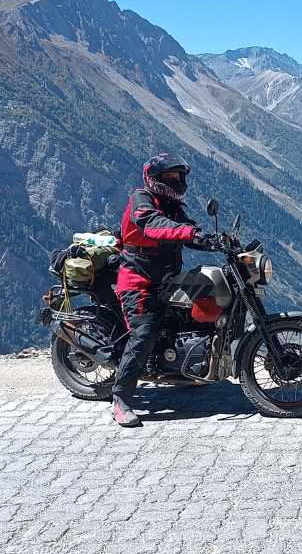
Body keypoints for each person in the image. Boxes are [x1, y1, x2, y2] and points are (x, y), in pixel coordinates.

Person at [112, 153, 209, 427]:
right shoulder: (141, 199)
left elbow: (185, 227)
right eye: (169, 177)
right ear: (154, 179)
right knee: (145, 333)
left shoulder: (173, 205)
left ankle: (189, 367)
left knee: (199, 307)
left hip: (167, 279)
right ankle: (121, 399)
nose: (176, 181)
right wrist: (190, 233)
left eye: (178, 177)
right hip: (138, 280)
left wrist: (213, 239)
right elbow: (155, 226)